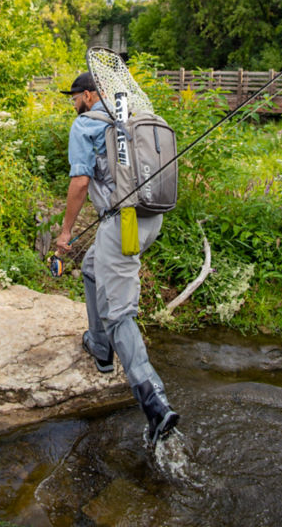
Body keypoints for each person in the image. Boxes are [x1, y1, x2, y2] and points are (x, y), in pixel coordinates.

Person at [56, 71, 179, 444]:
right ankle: (100, 348)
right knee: (92, 267)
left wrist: (64, 235)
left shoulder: (84, 126)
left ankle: (155, 404)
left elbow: (79, 182)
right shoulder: (131, 115)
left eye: (75, 95)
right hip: (151, 219)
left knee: (119, 312)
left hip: (122, 224)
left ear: (90, 95)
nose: (72, 101)